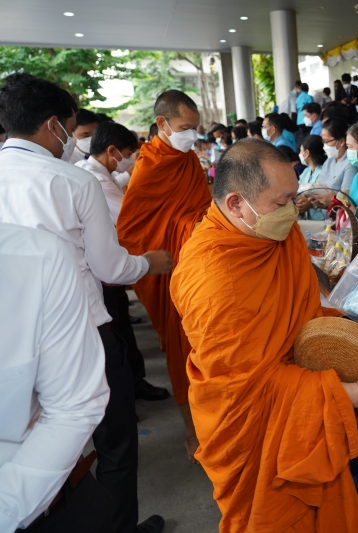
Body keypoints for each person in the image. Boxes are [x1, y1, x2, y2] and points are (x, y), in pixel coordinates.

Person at [170, 139, 358, 533]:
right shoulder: (213, 278)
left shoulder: (273, 236)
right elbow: (243, 388)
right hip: (256, 432)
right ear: (235, 204)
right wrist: (352, 395)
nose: (290, 211)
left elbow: (299, 318)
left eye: (293, 198)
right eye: (280, 202)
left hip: (298, 401)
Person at [0, 72, 171, 533]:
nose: (75, 141)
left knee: (27, 441)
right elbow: (110, 268)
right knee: (113, 443)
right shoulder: (72, 181)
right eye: (73, 128)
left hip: (11, 339)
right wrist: (151, 263)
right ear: (53, 124)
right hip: (82, 331)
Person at [116, 89, 212, 464]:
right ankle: (192, 429)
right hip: (173, 274)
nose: (192, 135)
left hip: (201, 266)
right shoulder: (151, 165)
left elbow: (201, 203)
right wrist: (190, 227)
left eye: (195, 128)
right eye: (186, 128)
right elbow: (132, 230)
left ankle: (214, 423)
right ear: (163, 124)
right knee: (181, 350)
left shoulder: (185, 159)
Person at [0, 223, 111, 533]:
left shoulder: (35, 257)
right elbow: (110, 265)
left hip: (35, 501)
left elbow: (74, 407)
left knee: (115, 440)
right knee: (116, 445)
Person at [76, 122, 172, 402]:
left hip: (107, 269)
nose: (132, 159)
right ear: (112, 151)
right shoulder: (91, 181)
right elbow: (128, 219)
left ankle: (132, 383)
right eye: (131, 153)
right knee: (116, 334)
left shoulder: (96, 174)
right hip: (105, 271)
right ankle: (129, 391)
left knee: (121, 332)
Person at [317, 117, 357, 200]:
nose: (325, 146)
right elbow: (318, 186)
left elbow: (345, 198)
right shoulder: (329, 161)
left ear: (342, 141)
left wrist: (331, 199)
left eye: (327, 141)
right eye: (323, 141)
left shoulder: (350, 164)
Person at [296, 134, 328, 220]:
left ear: (307, 153)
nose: (300, 154)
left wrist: (310, 203)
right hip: (308, 219)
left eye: (300, 151)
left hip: (322, 219)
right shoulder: (306, 171)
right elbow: (297, 189)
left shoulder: (324, 171)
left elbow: (323, 196)